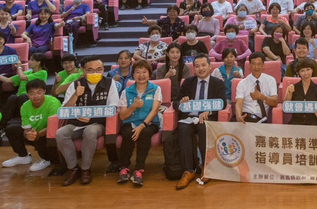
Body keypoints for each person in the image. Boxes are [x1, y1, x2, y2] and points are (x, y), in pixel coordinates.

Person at [57, 57, 119, 186]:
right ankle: (73, 168)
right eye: (90, 70)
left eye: (99, 70)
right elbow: (65, 110)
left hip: (98, 123)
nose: (95, 73)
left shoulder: (109, 83)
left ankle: (86, 169)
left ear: (103, 70)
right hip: (76, 123)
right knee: (61, 133)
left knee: (90, 131)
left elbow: (113, 107)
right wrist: (76, 95)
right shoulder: (75, 85)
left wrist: (91, 117)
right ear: (83, 71)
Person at [173, 54, 226, 189]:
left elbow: (223, 103)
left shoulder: (218, 83)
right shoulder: (188, 82)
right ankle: (188, 170)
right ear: (194, 68)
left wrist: (209, 111)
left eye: (203, 65)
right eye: (197, 66)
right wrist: (182, 103)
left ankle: (206, 167)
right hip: (189, 117)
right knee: (183, 129)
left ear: (209, 66)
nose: (200, 69)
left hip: (207, 118)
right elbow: (176, 102)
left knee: (204, 128)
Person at [117, 61, 162, 187]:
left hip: (149, 123)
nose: (141, 75)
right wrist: (133, 106)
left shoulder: (156, 89)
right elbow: (122, 115)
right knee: (127, 134)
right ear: (133, 74)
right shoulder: (126, 91)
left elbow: (154, 111)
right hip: (129, 123)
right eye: (137, 72)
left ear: (149, 74)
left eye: (144, 72)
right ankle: (124, 168)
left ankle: (139, 169)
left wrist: (142, 125)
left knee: (144, 134)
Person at [2, 79, 61, 172]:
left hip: (51, 134)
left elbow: (54, 126)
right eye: (32, 93)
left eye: (39, 92)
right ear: (27, 94)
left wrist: (38, 134)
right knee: (11, 129)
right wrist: (28, 134)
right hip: (35, 132)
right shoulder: (25, 106)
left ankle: (46, 159)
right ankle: (23, 156)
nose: (36, 96)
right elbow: (26, 128)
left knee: (40, 137)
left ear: (45, 92)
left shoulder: (53, 103)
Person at [235, 53, 278, 123]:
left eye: (259, 64)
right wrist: (238, 116)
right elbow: (239, 102)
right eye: (254, 64)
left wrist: (262, 97)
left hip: (261, 120)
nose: (256, 67)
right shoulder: (242, 83)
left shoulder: (271, 80)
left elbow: (275, 102)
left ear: (263, 65)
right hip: (246, 117)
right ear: (249, 65)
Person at [284, 60, 317, 126]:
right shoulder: (292, 87)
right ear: (299, 73)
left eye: (308, 69)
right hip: (296, 122)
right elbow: (286, 107)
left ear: (312, 70)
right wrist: (289, 93)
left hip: (314, 123)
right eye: (302, 71)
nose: (306, 73)